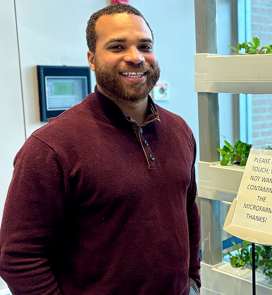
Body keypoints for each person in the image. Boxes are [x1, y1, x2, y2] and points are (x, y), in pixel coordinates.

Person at [0, 4, 200, 295]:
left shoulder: (180, 130)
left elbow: (188, 209)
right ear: (92, 59)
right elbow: (19, 258)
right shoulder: (50, 148)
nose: (135, 57)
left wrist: (192, 281)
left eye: (145, 45)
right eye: (117, 46)